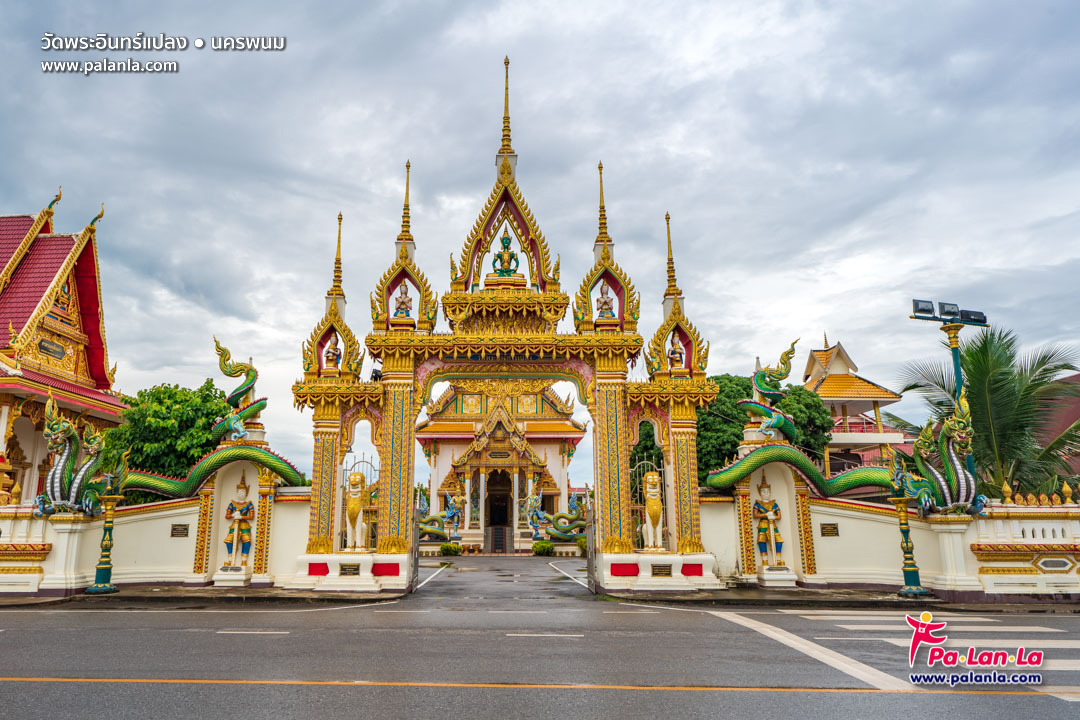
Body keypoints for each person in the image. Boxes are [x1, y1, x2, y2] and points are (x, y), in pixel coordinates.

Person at [223, 474, 255, 567]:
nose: (241, 494)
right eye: (239, 492)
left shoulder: (249, 504)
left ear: (246, 493)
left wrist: (241, 517)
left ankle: (244, 561)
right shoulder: (232, 504)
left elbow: (251, 516)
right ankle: (229, 560)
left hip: (244, 525)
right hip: (234, 524)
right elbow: (226, 516)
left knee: (247, 541)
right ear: (236, 492)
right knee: (229, 541)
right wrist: (233, 515)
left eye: (243, 492)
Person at [752, 479, 783, 567]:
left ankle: (778, 559)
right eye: (763, 491)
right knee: (761, 541)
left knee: (779, 540)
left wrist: (773, 517)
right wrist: (765, 514)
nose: (766, 493)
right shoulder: (757, 504)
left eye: (767, 491)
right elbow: (755, 515)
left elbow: (779, 516)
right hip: (763, 524)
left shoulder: (774, 504)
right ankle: (764, 560)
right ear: (760, 492)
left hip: (773, 524)